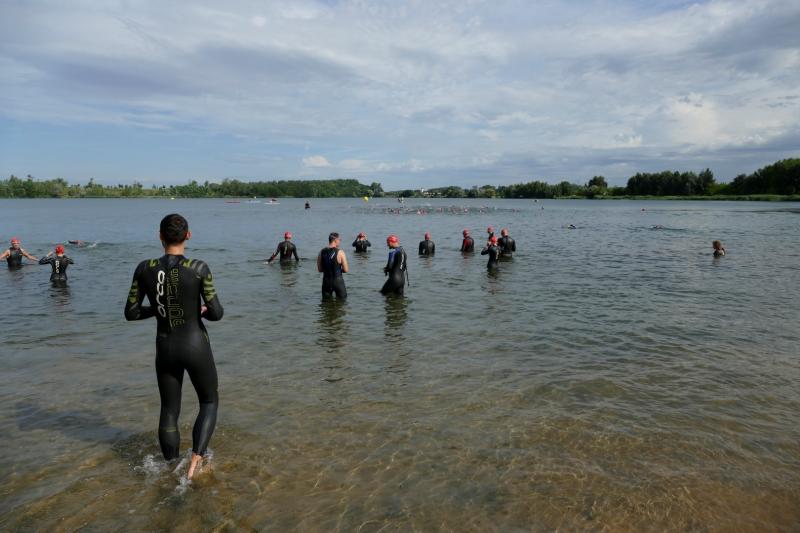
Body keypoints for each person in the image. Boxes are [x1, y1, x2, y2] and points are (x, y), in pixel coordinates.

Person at [124, 213, 224, 480]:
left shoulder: (144, 268)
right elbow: (216, 313)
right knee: (209, 401)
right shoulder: (199, 267)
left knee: (169, 409)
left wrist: (160, 309)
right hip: (195, 345)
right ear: (188, 235)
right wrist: (198, 310)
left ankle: (170, 467)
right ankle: (194, 463)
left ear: (160, 236)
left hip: (165, 347)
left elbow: (131, 313)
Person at [317, 232, 349, 299]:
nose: (340, 241)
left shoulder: (321, 252)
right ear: (335, 240)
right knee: (342, 302)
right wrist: (338, 270)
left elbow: (320, 269)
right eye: (339, 239)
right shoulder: (340, 252)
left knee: (326, 303)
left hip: (326, 282)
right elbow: (346, 270)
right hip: (338, 281)